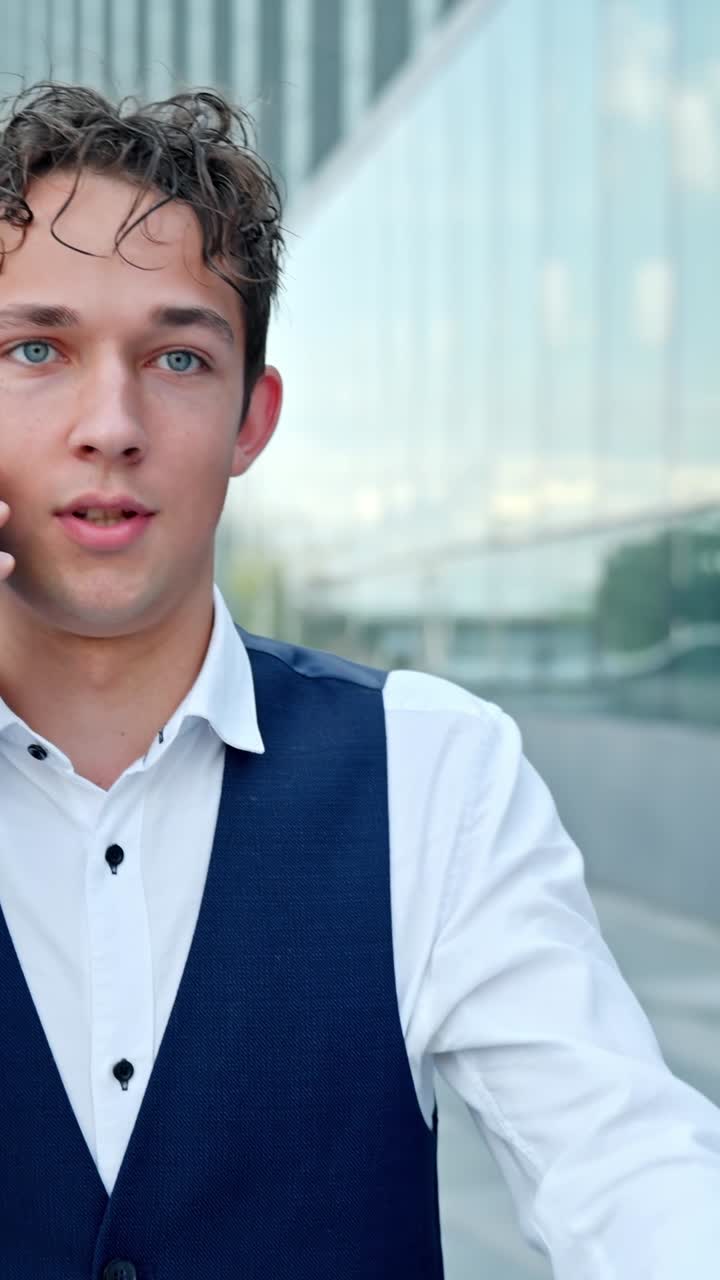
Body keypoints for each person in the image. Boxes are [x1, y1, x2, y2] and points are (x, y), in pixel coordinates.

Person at [0, 81, 717, 1280]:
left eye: (178, 354)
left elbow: (626, 1160)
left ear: (249, 419)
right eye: (35, 347)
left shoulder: (432, 769)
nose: (109, 423)